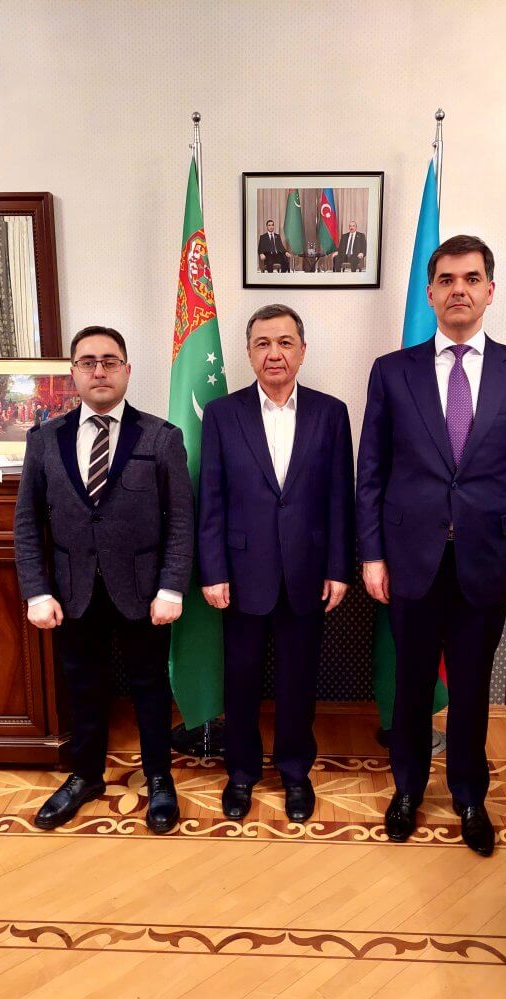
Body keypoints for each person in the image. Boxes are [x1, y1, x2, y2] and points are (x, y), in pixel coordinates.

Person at [356, 235, 506, 856]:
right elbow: (371, 471)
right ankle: (408, 788)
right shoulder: (392, 371)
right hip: (409, 561)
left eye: (470, 279)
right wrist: (371, 555)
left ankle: (469, 795)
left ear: (490, 291)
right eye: (446, 279)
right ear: (430, 292)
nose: (458, 289)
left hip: (487, 562)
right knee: (410, 685)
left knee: (471, 689)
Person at [14, 325, 194, 834]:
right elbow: (27, 521)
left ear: (127, 370)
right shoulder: (44, 439)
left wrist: (171, 587)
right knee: (83, 686)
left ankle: (159, 776)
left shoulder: (161, 437)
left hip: (144, 591)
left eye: (110, 361)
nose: (99, 370)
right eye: (88, 361)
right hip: (72, 592)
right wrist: (36, 590)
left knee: (150, 687)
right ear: (73, 372)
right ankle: (86, 775)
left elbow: (181, 519)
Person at [198, 303, 355, 823]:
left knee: (298, 681)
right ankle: (241, 773)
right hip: (241, 573)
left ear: (302, 351)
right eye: (263, 343)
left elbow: (341, 498)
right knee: (240, 679)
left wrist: (339, 568)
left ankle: (294, 772)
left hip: (308, 572)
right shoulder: (222, 414)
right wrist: (213, 571)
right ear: (248, 353)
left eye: (285, 342)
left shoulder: (331, 413)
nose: (274, 353)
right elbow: (211, 498)